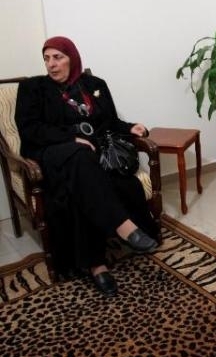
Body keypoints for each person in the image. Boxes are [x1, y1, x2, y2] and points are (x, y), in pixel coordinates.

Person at [15, 36, 160, 297]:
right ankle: (123, 229)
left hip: (91, 157)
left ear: (72, 58)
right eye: (46, 58)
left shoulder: (94, 85)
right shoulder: (33, 88)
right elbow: (30, 130)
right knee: (80, 156)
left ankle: (96, 264)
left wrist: (129, 128)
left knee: (83, 184)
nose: (51, 64)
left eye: (57, 57)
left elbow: (109, 122)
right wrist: (71, 138)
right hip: (52, 153)